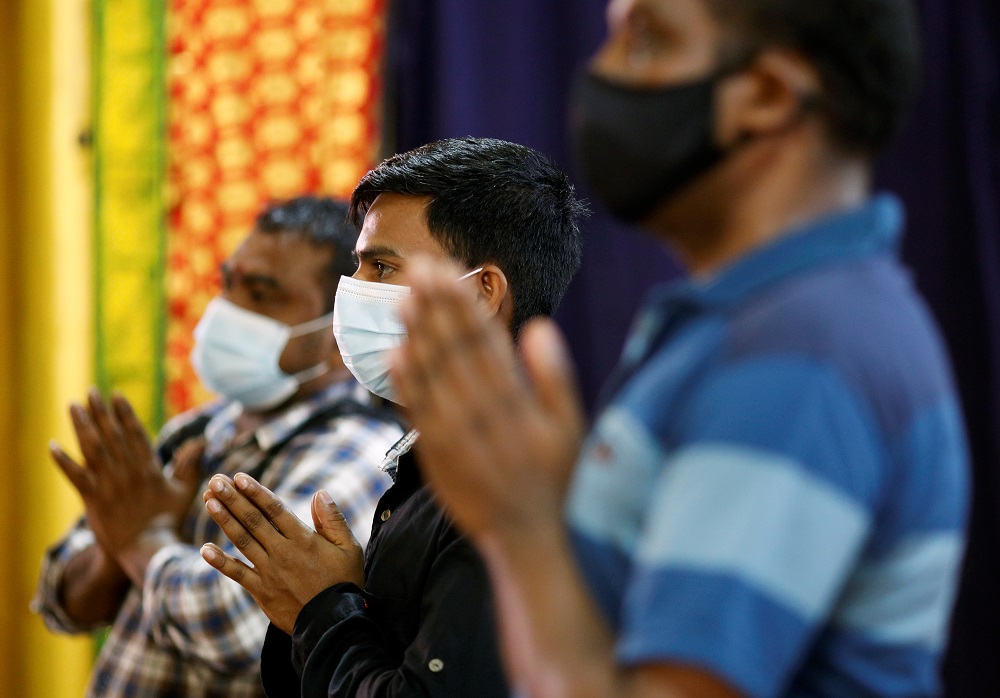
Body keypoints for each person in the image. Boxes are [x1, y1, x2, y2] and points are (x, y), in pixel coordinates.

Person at [388, 1, 970, 697]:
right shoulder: (759, 324)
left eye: (646, 40)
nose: (601, 74)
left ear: (766, 96)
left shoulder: (798, 353)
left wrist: (523, 527)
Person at [198, 136, 586, 696]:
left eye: (382, 266)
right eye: (358, 267)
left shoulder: (510, 492)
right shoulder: (436, 465)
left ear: (481, 292)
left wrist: (324, 611)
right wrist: (316, 609)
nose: (353, 292)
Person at [33, 197, 403, 697]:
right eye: (228, 284)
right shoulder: (198, 430)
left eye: (260, 294)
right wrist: (114, 547)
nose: (228, 310)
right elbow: (62, 600)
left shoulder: (363, 453)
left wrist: (138, 539)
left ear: (336, 331)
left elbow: (237, 625)